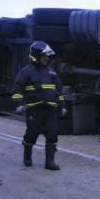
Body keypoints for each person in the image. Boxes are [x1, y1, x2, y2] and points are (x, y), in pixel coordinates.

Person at [11, 41, 66, 170]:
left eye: (47, 56)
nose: (47, 59)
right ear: (36, 56)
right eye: (44, 56)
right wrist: (19, 104)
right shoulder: (26, 72)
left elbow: (59, 90)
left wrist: (62, 106)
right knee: (32, 134)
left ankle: (50, 162)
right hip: (34, 109)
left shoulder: (52, 72)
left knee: (52, 134)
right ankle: (27, 154)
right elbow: (17, 90)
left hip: (50, 109)